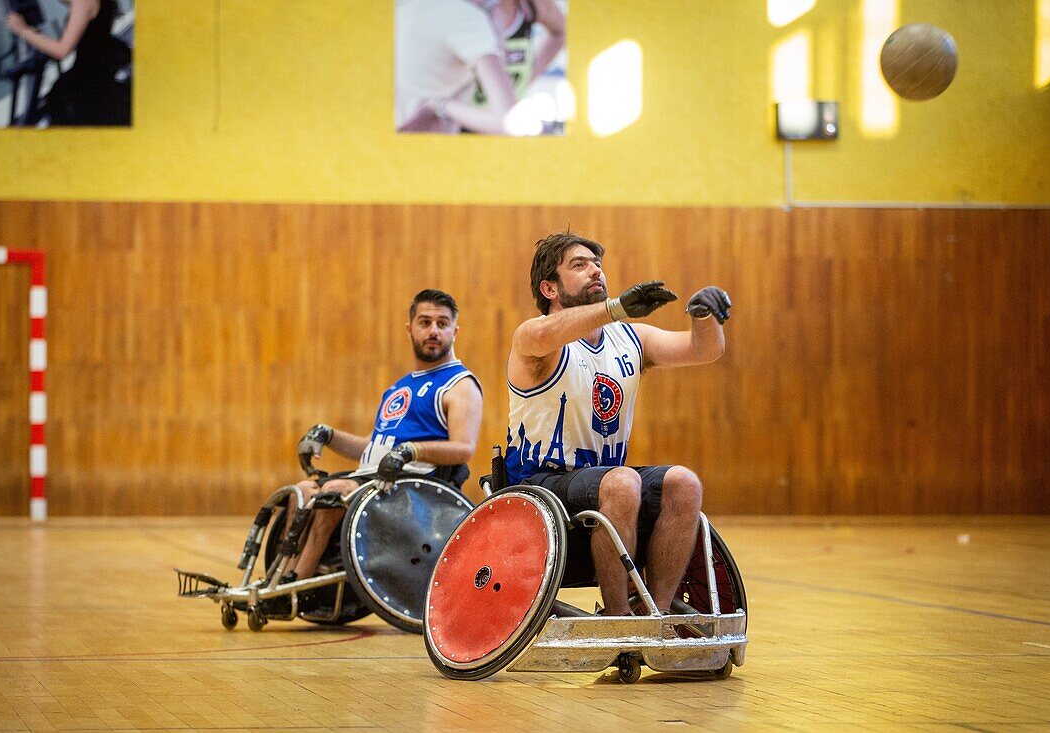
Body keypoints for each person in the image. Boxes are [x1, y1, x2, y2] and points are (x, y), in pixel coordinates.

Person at [505, 232, 732, 618]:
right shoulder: (534, 335)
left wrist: (704, 317)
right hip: (537, 485)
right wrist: (615, 308)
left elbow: (702, 350)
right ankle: (617, 619)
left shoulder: (629, 337)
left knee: (685, 483)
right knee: (623, 481)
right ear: (549, 287)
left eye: (597, 264)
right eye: (579, 265)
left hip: (603, 482)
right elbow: (546, 333)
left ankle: (652, 618)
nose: (595, 270)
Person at [281, 289, 483, 593]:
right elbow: (372, 447)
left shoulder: (460, 385)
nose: (433, 331)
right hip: (372, 479)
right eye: (425, 322)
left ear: (455, 330)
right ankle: (280, 577)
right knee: (302, 491)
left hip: (410, 490)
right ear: (409, 328)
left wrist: (410, 450)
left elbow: (463, 448)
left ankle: (296, 587)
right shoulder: (398, 388)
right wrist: (328, 435)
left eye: (442, 324)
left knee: (334, 491)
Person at [394, 0, 517, 134]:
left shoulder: (406, 7)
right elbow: (509, 122)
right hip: (422, 145)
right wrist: (439, 106)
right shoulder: (466, 18)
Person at [5, 0, 130, 125]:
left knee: (60, 102)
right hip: (100, 73)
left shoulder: (83, 3)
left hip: (88, 83)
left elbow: (61, 51)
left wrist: (23, 30)